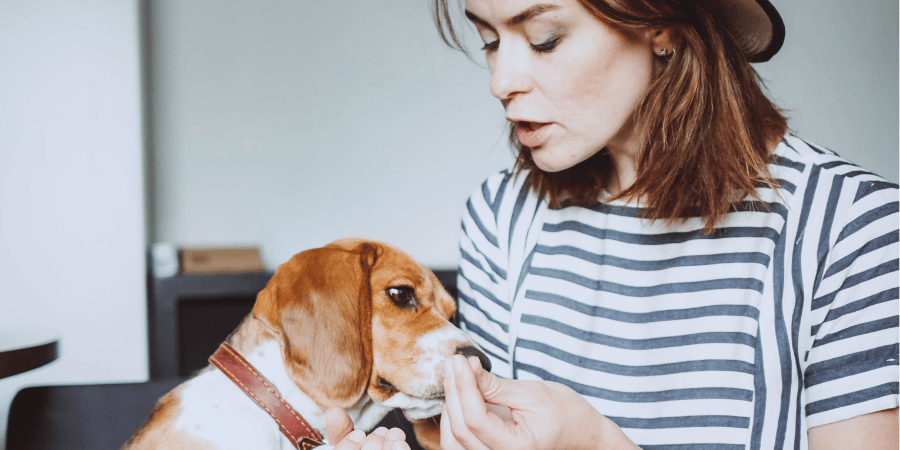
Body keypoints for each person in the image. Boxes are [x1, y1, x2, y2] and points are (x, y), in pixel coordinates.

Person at [325, 0, 899, 448]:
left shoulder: (851, 230)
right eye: (491, 41)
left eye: (544, 39)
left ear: (662, 24)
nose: (502, 81)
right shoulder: (503, 218)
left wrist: (598, 443)